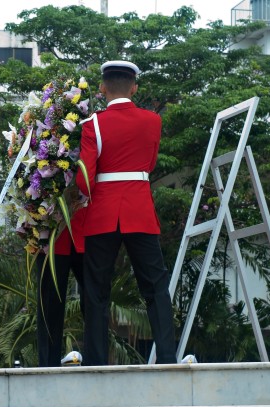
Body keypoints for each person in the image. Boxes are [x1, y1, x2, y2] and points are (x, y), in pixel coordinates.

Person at [75, 60, 176, 366]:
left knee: (95, 290)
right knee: (155, 286)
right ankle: (168, 358)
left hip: (102, 212)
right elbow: (151, 163)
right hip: (139, 209)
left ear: (103, 87)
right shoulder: (152, 121)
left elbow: (84, 178)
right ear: (134, 87)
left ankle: (95, 361)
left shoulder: (92, 124)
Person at [36, 207, 86, 367]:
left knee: (95, 304)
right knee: (49, 307)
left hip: (87, 229)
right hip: (51, 235)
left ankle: (98, 362)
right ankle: (47, 368)